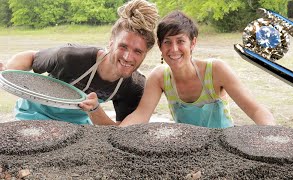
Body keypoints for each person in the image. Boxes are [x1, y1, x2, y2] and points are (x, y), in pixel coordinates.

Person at [84, 11, 276, 128]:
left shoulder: (216, 69)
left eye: (180, 41)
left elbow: (256, 109)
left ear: (193, 43)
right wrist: (119, 134)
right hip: (188, 149)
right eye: (167, 42)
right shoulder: (160, 77)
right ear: (160, 46)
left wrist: (271, 135)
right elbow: (141, 115)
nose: (174, 49)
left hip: (223, 146)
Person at [0, 0, 159, 125]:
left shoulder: (134, 87)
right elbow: (31, 58)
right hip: (33, 115)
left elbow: (119, 130)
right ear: (111, 43)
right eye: (123, 46)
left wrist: (96, 111)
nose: (127, 57)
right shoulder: (71, 57)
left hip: (75, 125)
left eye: (137, 51)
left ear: (145, 54)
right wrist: (7, 71)